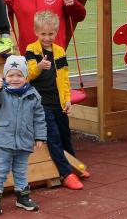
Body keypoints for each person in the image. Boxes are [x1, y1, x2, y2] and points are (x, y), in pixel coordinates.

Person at [25, 11, 86, 190]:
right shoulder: (31, 50)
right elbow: (27, 75)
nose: (47, 38)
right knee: (54, 137)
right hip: (41, 104)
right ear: (37, 32)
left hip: (58, 102)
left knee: (66, 134)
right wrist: (39, 66)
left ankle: (75, 166)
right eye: (43, 34)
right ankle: (66, 173)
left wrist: (67, 100)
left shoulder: (59, 52)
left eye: (51, 34)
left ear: (56, 32)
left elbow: (65, 79)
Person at [0, 55, 46, 215]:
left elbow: (39, 117)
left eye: (19, 75)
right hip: (3, 140)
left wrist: (40, 136)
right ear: (5, 77)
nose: (15, 79)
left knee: (21, 170)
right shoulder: (2, 93)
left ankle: (22, 197)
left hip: (24, 140)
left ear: (26, 77)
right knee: (0, 170)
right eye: (11, 75)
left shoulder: (33, 95)